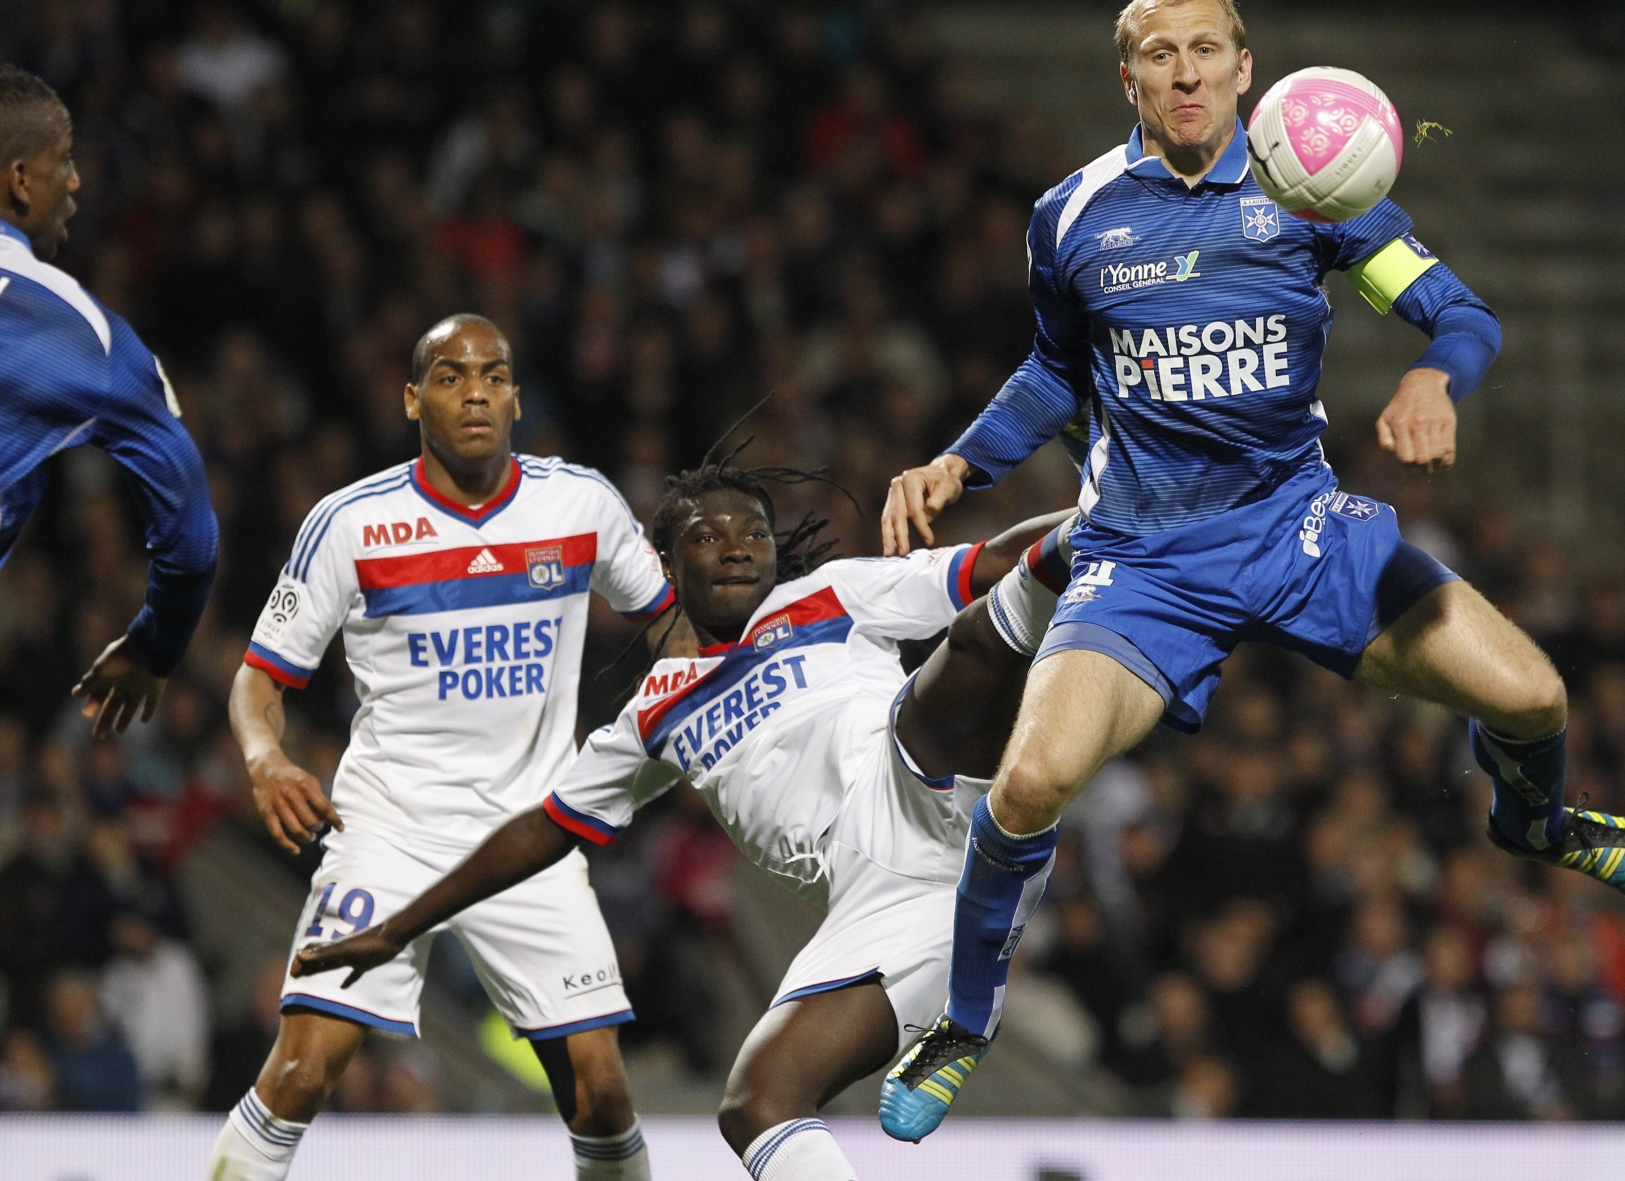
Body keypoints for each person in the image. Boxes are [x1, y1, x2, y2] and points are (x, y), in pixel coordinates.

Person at [874, 0, 1625, 1140]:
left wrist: (1429, 377)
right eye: (1162, 54)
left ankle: (1536, 824)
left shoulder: (1315, 186)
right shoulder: (1074, 214)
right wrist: (961, 464)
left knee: (1535, 694)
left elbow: (1463, 315)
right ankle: (959, 1021)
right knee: (1030, 785)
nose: (1187, 73)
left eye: (1209, 50)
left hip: (1301, 534)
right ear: (1130, 80)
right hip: (1142, 562)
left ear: (1248, 70)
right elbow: (1056, 370)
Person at [290, 450, 1078, 1181]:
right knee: (757, 1104)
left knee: (984, 629)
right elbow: (545, 828)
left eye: (753, 533)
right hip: (879, 903)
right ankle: (979, 963)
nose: (736, 547)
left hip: (918, 786)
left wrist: (1089, 518)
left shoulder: (825, 597)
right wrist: (404, 923)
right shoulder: (654, 714)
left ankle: (1126, 509)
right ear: (667, 564)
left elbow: (989, 562)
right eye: (707, 535)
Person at [204, 314, 672, 1181]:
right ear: (413, 398)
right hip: (387, 829)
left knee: (603, 1093)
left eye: (494, 376)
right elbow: (259, 678)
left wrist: (662, 731)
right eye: (452, 377)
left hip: (530, 838)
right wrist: (266, 759)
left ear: (517, 398)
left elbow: (671, 627)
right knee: (303, 1071)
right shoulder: (352, 523)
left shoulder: (580, 503)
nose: (476, 393)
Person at [0, 64, 218, 740]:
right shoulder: (77, 333)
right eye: (62, 162)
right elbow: (189, 533)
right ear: (19, 179)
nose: (75, 182)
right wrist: (154, 645)